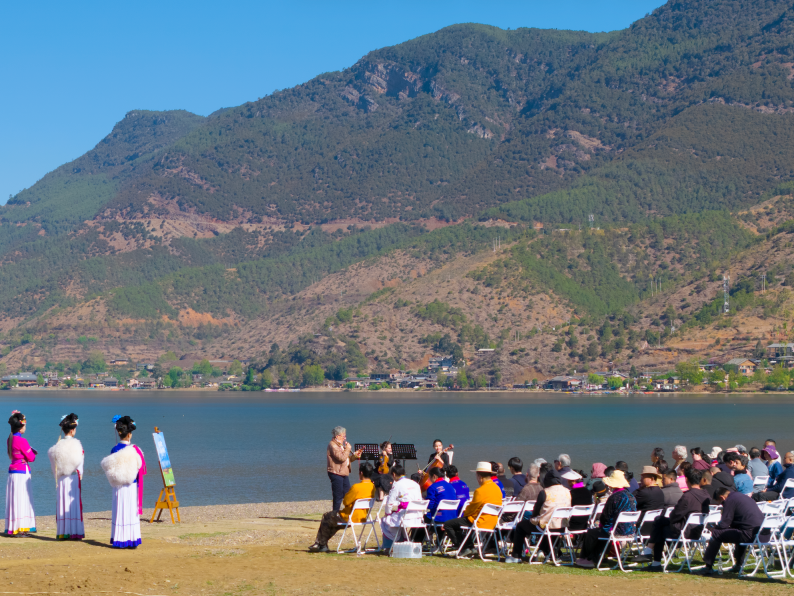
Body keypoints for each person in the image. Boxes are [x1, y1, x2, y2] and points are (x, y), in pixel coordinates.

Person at [643, 468, 710, 570]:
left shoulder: (687, 496)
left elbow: (674, 516)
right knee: (659, 521)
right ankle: (650, 555)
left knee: (659, 526)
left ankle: (654, 560)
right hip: (698, 530)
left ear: (686, 480)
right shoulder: (706, 495)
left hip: (685, 532)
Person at [504, 470, 571, 563]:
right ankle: (546, 552)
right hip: (561, 526)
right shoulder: (568, 492)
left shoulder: (545, 492)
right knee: (548, 528)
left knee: (520, 526)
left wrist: (533, 517)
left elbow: (536, 510)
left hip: (545, 525)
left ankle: (516, 556)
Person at [574, 470, 637, 568]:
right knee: (601, 532)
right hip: (630, 531)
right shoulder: (631, 496)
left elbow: (605, 517)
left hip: (616, 530)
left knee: (592, 532)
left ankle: (587, 558)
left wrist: (602, 525)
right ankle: (601, 557)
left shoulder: (614, 497)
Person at [100, 415, 146, 548]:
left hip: (118, 487)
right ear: (129, 434)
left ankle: (119, 539)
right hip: (131, 485)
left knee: (119, 511)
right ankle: (132, 539)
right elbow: (140, 468)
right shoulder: (135, 450)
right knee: (131, 512)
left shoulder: (114, 449)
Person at [309, 462, 376, 553]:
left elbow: (345, 502)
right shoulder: (372, 487)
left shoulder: (356, 487)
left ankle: (321, 544)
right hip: (363, 517)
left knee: (327, 516)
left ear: (361, 473)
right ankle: (321, 544)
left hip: (349, 517)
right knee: (333, 523)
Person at [442, 462, 502, 558]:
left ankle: (464, 548)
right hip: (493, 521)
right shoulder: (497, 488)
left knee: (448, 524)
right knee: (459, 523)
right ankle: (469, 547)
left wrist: (465, 513)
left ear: (480, 477)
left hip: (479, 521)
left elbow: (471, 509)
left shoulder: (480, 491)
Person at [700, 487, 765, 576]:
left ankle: (708, 566)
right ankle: (739, 565)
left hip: (750, 534)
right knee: (738, 531)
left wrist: (714, 528)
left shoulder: (729, 500)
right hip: (762, 534)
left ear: (722, 497)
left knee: (716, 533)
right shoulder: (741, 496)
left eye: (721, 503)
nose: (722, 504)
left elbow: (724, 524)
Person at [47, 413, 84, 540]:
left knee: (62, 504)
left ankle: (63, 531)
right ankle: (75, 531)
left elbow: (54, 464)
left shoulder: (57, 446)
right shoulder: (77, 444)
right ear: (72, 430)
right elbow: (80, 462)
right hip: (73, 478)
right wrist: (80, 474)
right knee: (73, 505)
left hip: (62, 479)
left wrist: (57, 475)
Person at [5, 411, 37, 536]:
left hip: (13, 471)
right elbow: (31, 458)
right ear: (21, 426)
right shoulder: (22, 441)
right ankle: (21, 528)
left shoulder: (9, 439)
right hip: (22, 472)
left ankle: (13, 527)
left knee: (14, 500)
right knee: (22, 499)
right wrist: (32, 452)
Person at [380, 464, 422, 550]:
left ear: (394, 474)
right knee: (399, 519)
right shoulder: (415, 484)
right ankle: (404, 540)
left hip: (406, 516)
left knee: (385, 521)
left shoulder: (397, 485)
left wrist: (387, 514)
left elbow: (389, 503)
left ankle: (389, 546)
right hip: (417, 517)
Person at [326, 426, 363, 512]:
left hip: (344, 472)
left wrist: (355, 455)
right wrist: (348, 448)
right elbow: (341, 458)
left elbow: (346, 459)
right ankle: (334, 515)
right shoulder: (333, 445)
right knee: (338, 496)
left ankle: (347, 514)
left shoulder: (340, 445)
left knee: (347, 494)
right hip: (336, 473)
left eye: (345, 436)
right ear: (337, 436)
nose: (345, 438)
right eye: (343, 436)